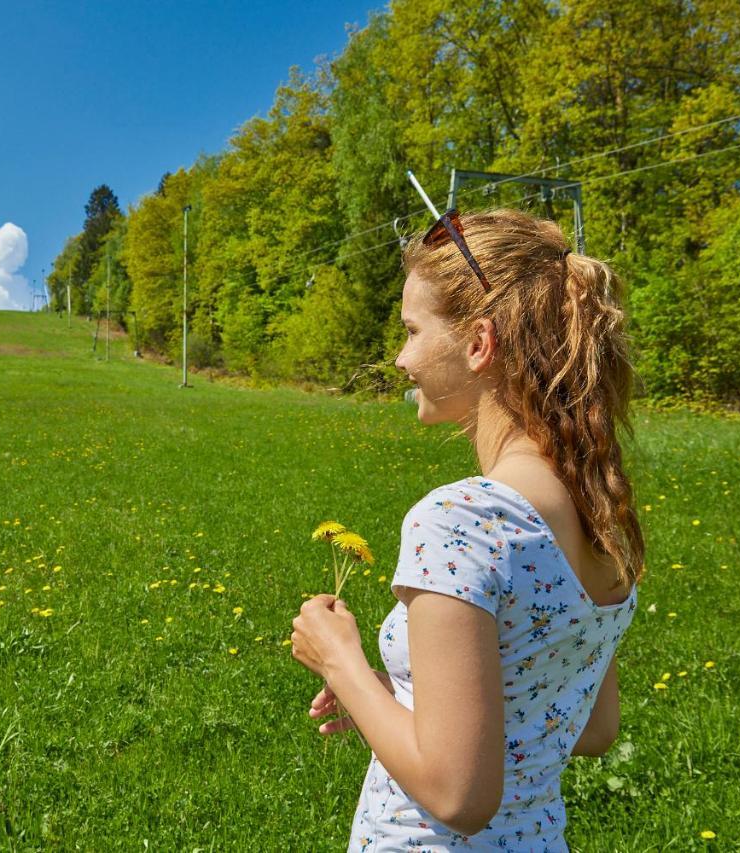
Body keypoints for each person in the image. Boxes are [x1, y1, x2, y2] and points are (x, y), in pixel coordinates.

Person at [290, 208, 644, 851]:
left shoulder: (461, 522)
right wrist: (392, 700)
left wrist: (341, 661)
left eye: (411, 330)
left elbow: (459, 796)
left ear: (479, 344)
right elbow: (592, 728)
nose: (400, 359)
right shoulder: (597, 514)